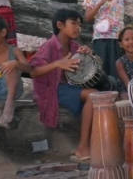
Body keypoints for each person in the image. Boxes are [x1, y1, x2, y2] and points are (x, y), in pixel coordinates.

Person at [30, 9, 101, 161]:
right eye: (73, 23)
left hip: (66, 88)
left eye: (80, 25)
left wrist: (90, 55)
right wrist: (57, 64)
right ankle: (82, 147)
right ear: (60, 25)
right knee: (92, 95)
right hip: (50, 89)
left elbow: (97, 66)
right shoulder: (48, 46)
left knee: (99, 93)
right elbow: (33, 72)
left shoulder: (75, 46)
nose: (78, 28)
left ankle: (94, 143)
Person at [83, 0, 133, 79]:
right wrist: (100, 3)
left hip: (118, 39)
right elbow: (88, 18)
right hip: (100, 38)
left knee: (117, 69)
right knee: (100, 69)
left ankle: (117, 93)